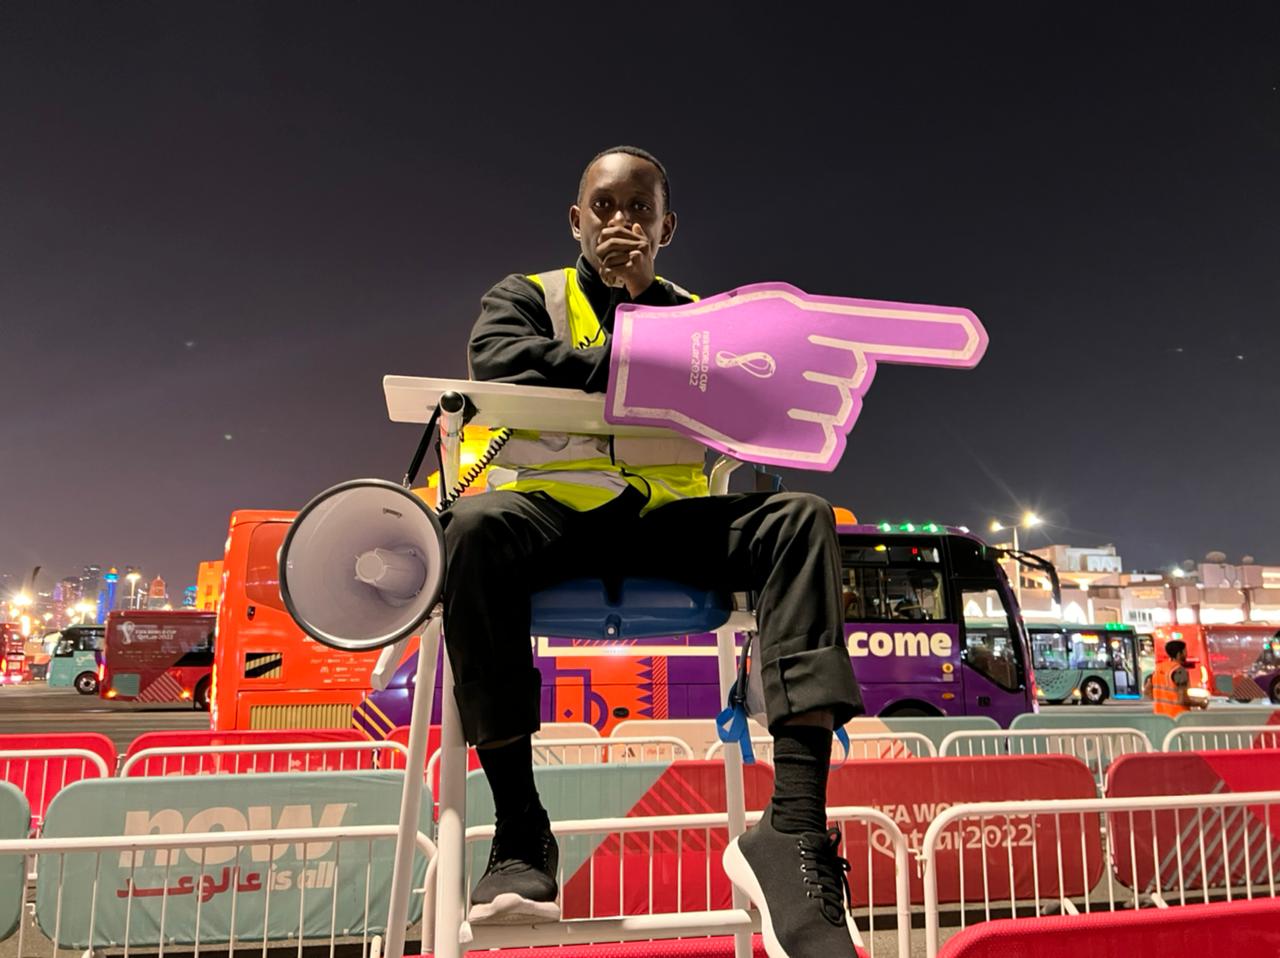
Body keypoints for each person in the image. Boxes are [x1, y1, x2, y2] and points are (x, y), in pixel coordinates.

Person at [440, 145, 863, 957]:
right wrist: (643, 364)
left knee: (802, 518)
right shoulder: (524, 296)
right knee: (471, 528)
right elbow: (500, 361)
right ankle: (521, 831)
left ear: (667, 228)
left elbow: (747, 396)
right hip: (554, 517)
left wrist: (645, 317)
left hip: (666, 523)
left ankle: (793, 832)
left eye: (640, 209)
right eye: (604, 206)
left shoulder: (705, 319)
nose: (621, 222)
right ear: (576, 219)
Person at [1151, 639, 1205, 717]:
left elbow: (1147, 691)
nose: (1186, 654)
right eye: (1185, 651)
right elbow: (1183, 700)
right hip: (1178, 717)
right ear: (1179, 654)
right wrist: (1200, 703)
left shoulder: (1158, 669)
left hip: (1161, 717)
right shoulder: (1179, 671)